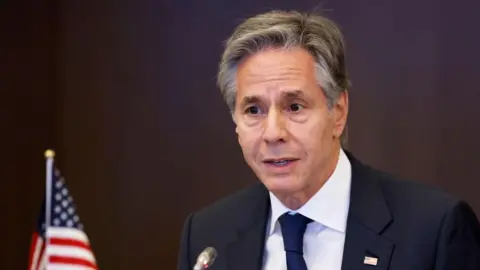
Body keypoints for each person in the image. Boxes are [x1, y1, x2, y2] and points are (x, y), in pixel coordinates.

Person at [177, 10, 480, 270]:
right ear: (236, 123)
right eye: (253, 110)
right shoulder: (207, 236)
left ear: (338, 112)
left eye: (294, 107)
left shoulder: (434, 230)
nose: (272, 133)